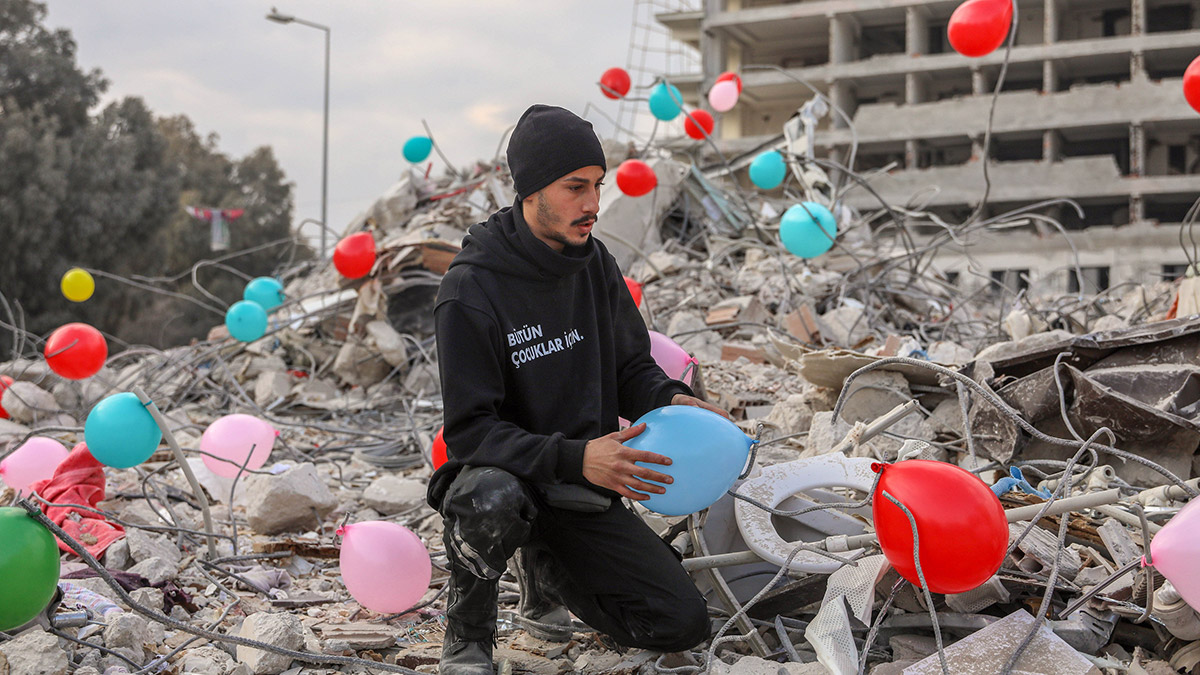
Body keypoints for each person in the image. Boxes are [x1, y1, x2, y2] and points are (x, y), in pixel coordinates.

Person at [428, 104, 726, 675]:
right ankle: (467, 633)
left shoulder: (594, 265)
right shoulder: (470, 288)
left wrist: (667, 399)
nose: (592, 204)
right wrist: (574, 456)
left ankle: (545, 571)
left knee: (680, 624)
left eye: (597, 186)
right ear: (531, 190)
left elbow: (629, 370)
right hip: (507, 473)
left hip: (579, 487)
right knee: (491, 498)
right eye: (574, 187)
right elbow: (469, 431)